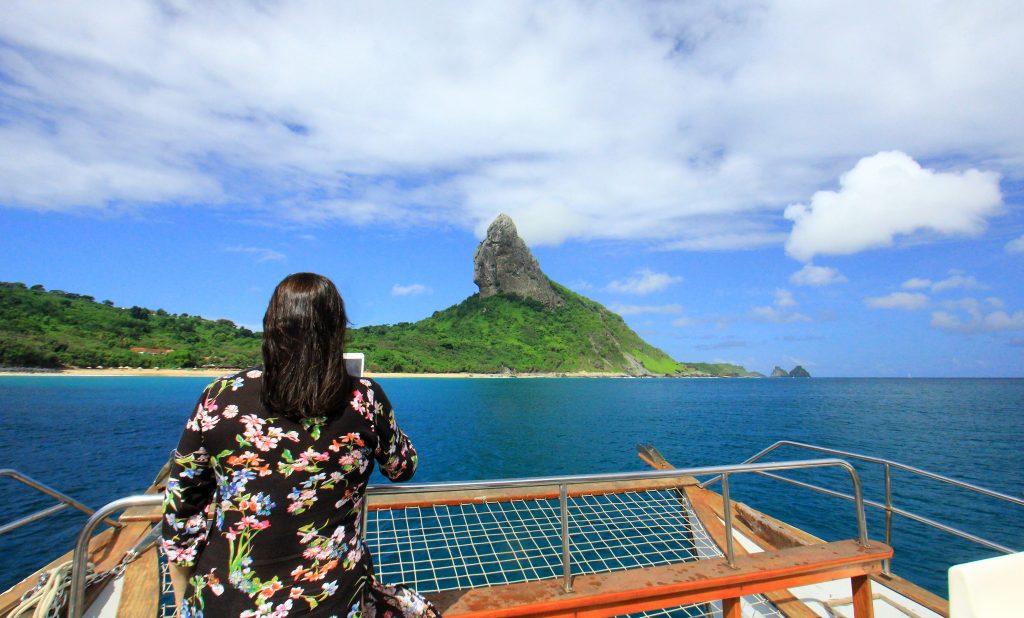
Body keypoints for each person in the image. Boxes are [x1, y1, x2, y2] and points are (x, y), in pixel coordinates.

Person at [161, 273, 438, 618]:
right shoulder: (364, 398)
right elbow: (402, 468)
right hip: (331, 600)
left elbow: (182, 507)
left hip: (224, 599)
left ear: (271, 327)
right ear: (336, 329)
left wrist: (183, 602)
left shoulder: (219, 396)